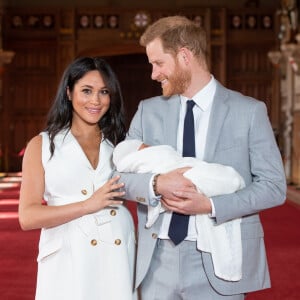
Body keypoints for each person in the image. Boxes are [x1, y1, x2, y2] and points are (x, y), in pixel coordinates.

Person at [115, 16, 287, 300]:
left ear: (184, 56)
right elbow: (118, 177)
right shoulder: (148, 110)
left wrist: (210, 204)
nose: (153, 74)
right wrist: (157, 184)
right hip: (157, 261)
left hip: (220, 261)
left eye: (158, 63)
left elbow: (273, 186)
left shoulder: (249, 112)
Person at [18, 57, 137, 300]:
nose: (96, 100)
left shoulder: (122, 142)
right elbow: (27, 217)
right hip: (67, 257)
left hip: (117, 253)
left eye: (104, 92)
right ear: (69, 92)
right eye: (86, 90)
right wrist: (87, 205)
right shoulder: (41, 145)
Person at [113, 139, 245, 281]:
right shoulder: (144, 121)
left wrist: (210, 205)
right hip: (158, 252)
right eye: (144, 147)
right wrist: (156, 183)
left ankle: (231, 180)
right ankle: (230, 180)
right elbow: (117, 180)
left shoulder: (250, 116)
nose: (149, 147)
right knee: (204, 177)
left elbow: (270, 184)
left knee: (214, 176)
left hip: (207, 252)